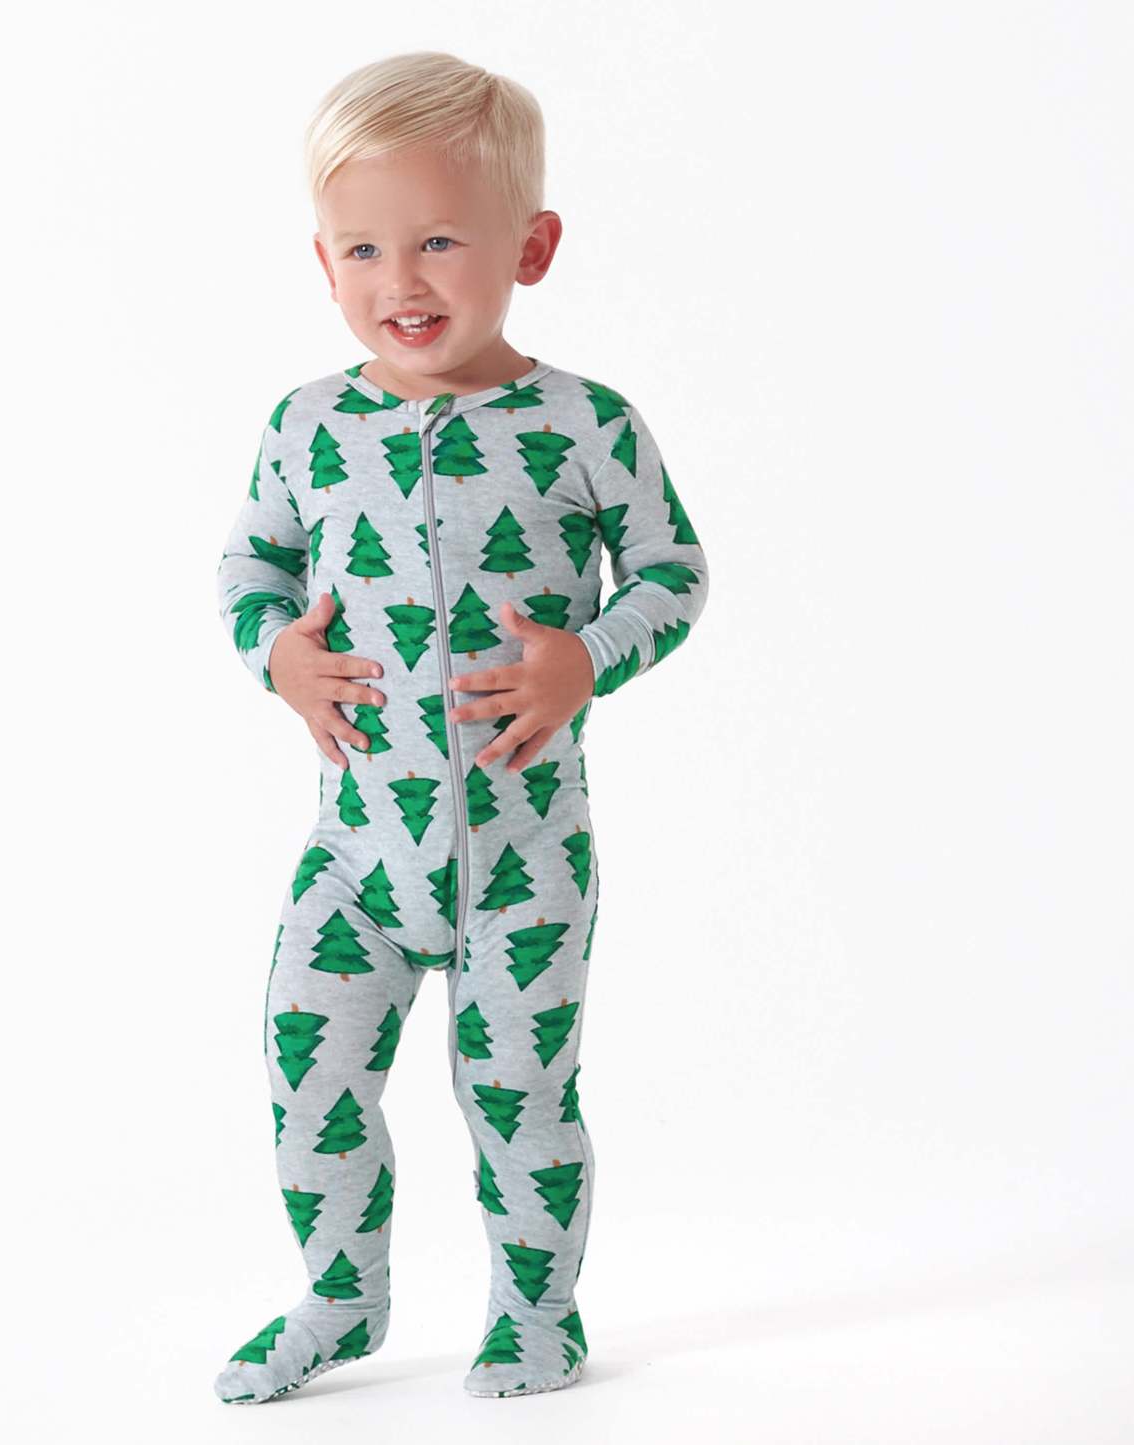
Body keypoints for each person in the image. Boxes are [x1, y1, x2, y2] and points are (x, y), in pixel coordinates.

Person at [212, 49, 710, 1404]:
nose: (402, 280)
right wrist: (279, 658)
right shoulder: (306, 427)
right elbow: (250, 565)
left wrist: (585, 660)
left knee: (520, 1098)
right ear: (324, 263)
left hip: (524, 857)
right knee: (306, 1075)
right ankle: (337, 1297)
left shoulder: (585, 423)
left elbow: (673, 573)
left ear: (529, 248)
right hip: (355, 857)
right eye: (364, 248)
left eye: (438, 240)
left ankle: (537, 1315)